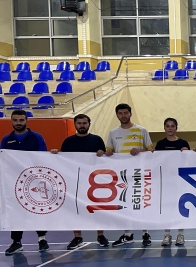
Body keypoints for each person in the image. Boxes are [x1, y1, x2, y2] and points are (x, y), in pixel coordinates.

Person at [50, 114, 109, 250]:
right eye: (79, 123)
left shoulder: (97, 140)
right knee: (74, 209)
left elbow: (105, 157)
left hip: (94, 181)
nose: (82, 126)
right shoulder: (68, 141)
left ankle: (100, 235)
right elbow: (62, 157)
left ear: (89, 124)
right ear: (75, 125)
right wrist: (55, 153)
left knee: (97, 208)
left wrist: (102, 153)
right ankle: (77, 237)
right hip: (74, 180)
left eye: (84, 123)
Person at [105, 103, 154, 248]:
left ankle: (145, 233)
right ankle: (128, 234)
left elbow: (151, 151)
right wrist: (108, 153)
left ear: (130, 114)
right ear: (117, 115)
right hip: (122, 174)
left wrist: (140, 151)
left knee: (141, 202)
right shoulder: (113, 133)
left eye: (126, 113)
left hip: (139, 173)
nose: (123, 115)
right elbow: (109, 151)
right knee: (125, 203)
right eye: (120, 113)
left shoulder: (141, 130)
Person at [2, 110, 49, 256]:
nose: (18, 123)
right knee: (15, 210)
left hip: (34, 180)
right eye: (15, 120)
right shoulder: (6, 139)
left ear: (27, 121)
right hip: (13, 181)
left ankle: (42, 239)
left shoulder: (36, 137)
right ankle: (16, 242)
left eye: (21, 120)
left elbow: (43, 156)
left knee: (37, 209)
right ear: (11, 121)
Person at [155, 118, 191, 247]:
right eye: (167, 126)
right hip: (166, 181)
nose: (170, 128)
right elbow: (155, 161)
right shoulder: (160, 144)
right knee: (167, 208)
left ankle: (180, 234)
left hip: (180, 180)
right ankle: (167, 234)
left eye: (172, 126)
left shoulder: (183, 143)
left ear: (176, 128)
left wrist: (187, 153)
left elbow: (189, 161)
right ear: (164, 128)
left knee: (180, 207)